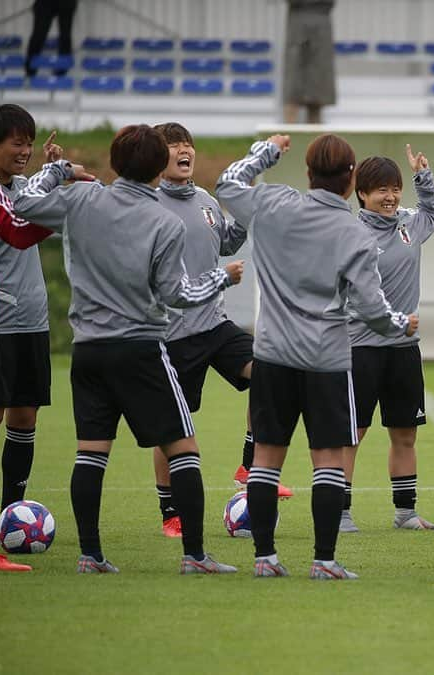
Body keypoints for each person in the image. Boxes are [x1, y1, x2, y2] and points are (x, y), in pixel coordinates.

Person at [13, 125, 243, 575]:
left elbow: (22, 203)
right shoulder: (164, 221)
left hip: (89, 350)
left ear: (115, 163)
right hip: (140, 347)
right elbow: (176, 293)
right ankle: (195, 556)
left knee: (91, 453)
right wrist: (222, 278)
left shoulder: (82, 199)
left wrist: (58, 169)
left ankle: (90, 555)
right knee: (183, 449)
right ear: (160, 167)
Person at [216, 133, 418, 579]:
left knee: (266, 458)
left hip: (271, 353)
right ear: (351, 181)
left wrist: (266, 152)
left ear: (308, 173)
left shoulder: (272, 204)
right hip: (327, 358)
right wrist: (401, 325)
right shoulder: (354, 232)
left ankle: (265, 559)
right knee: (329, 459)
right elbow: (371, 306)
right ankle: (324, 561)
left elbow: (228, 183)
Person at [149, 122, 292, 539]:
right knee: (171, 429)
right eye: (173, 145)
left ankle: (249, 465)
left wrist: (249, 218)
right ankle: (170, 513)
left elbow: (226, 242)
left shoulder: (207, 200)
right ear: (158, 157)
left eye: (187, 143)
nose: (183, 150)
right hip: (173, 335)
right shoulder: (150, 204)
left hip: (215, 324)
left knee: (270, 371)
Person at [340, 145, 434, 533]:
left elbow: (432, 213)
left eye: (395, 188)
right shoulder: (350, 232)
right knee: (353, 433)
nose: (391, 197)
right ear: (362, 193)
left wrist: (423, 177)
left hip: (403, 350)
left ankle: (405, 512)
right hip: (360, 348)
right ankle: (341, 513)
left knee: (404, 433)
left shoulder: (409, 223)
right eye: (381, 189)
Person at [0, 105, 57, 518]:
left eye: (30, 144)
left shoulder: (22, 186)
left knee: (24, 418)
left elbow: (36, 203)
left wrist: (51, 178)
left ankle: (10, 518)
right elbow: (18, 231)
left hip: (31, 322)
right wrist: (60, 191)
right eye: (17, 142)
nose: (25, 151)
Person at [283, 0, 336, 124]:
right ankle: (289, 138)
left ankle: (316, 140)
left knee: (317, 94)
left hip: (321, 24)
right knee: (293, 89)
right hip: (297, 25)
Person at [25, 0, 78, 78]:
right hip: (45, 3)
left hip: (67, 3)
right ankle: (30, 68)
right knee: (38, 35)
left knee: (65, 36)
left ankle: (62, 68)